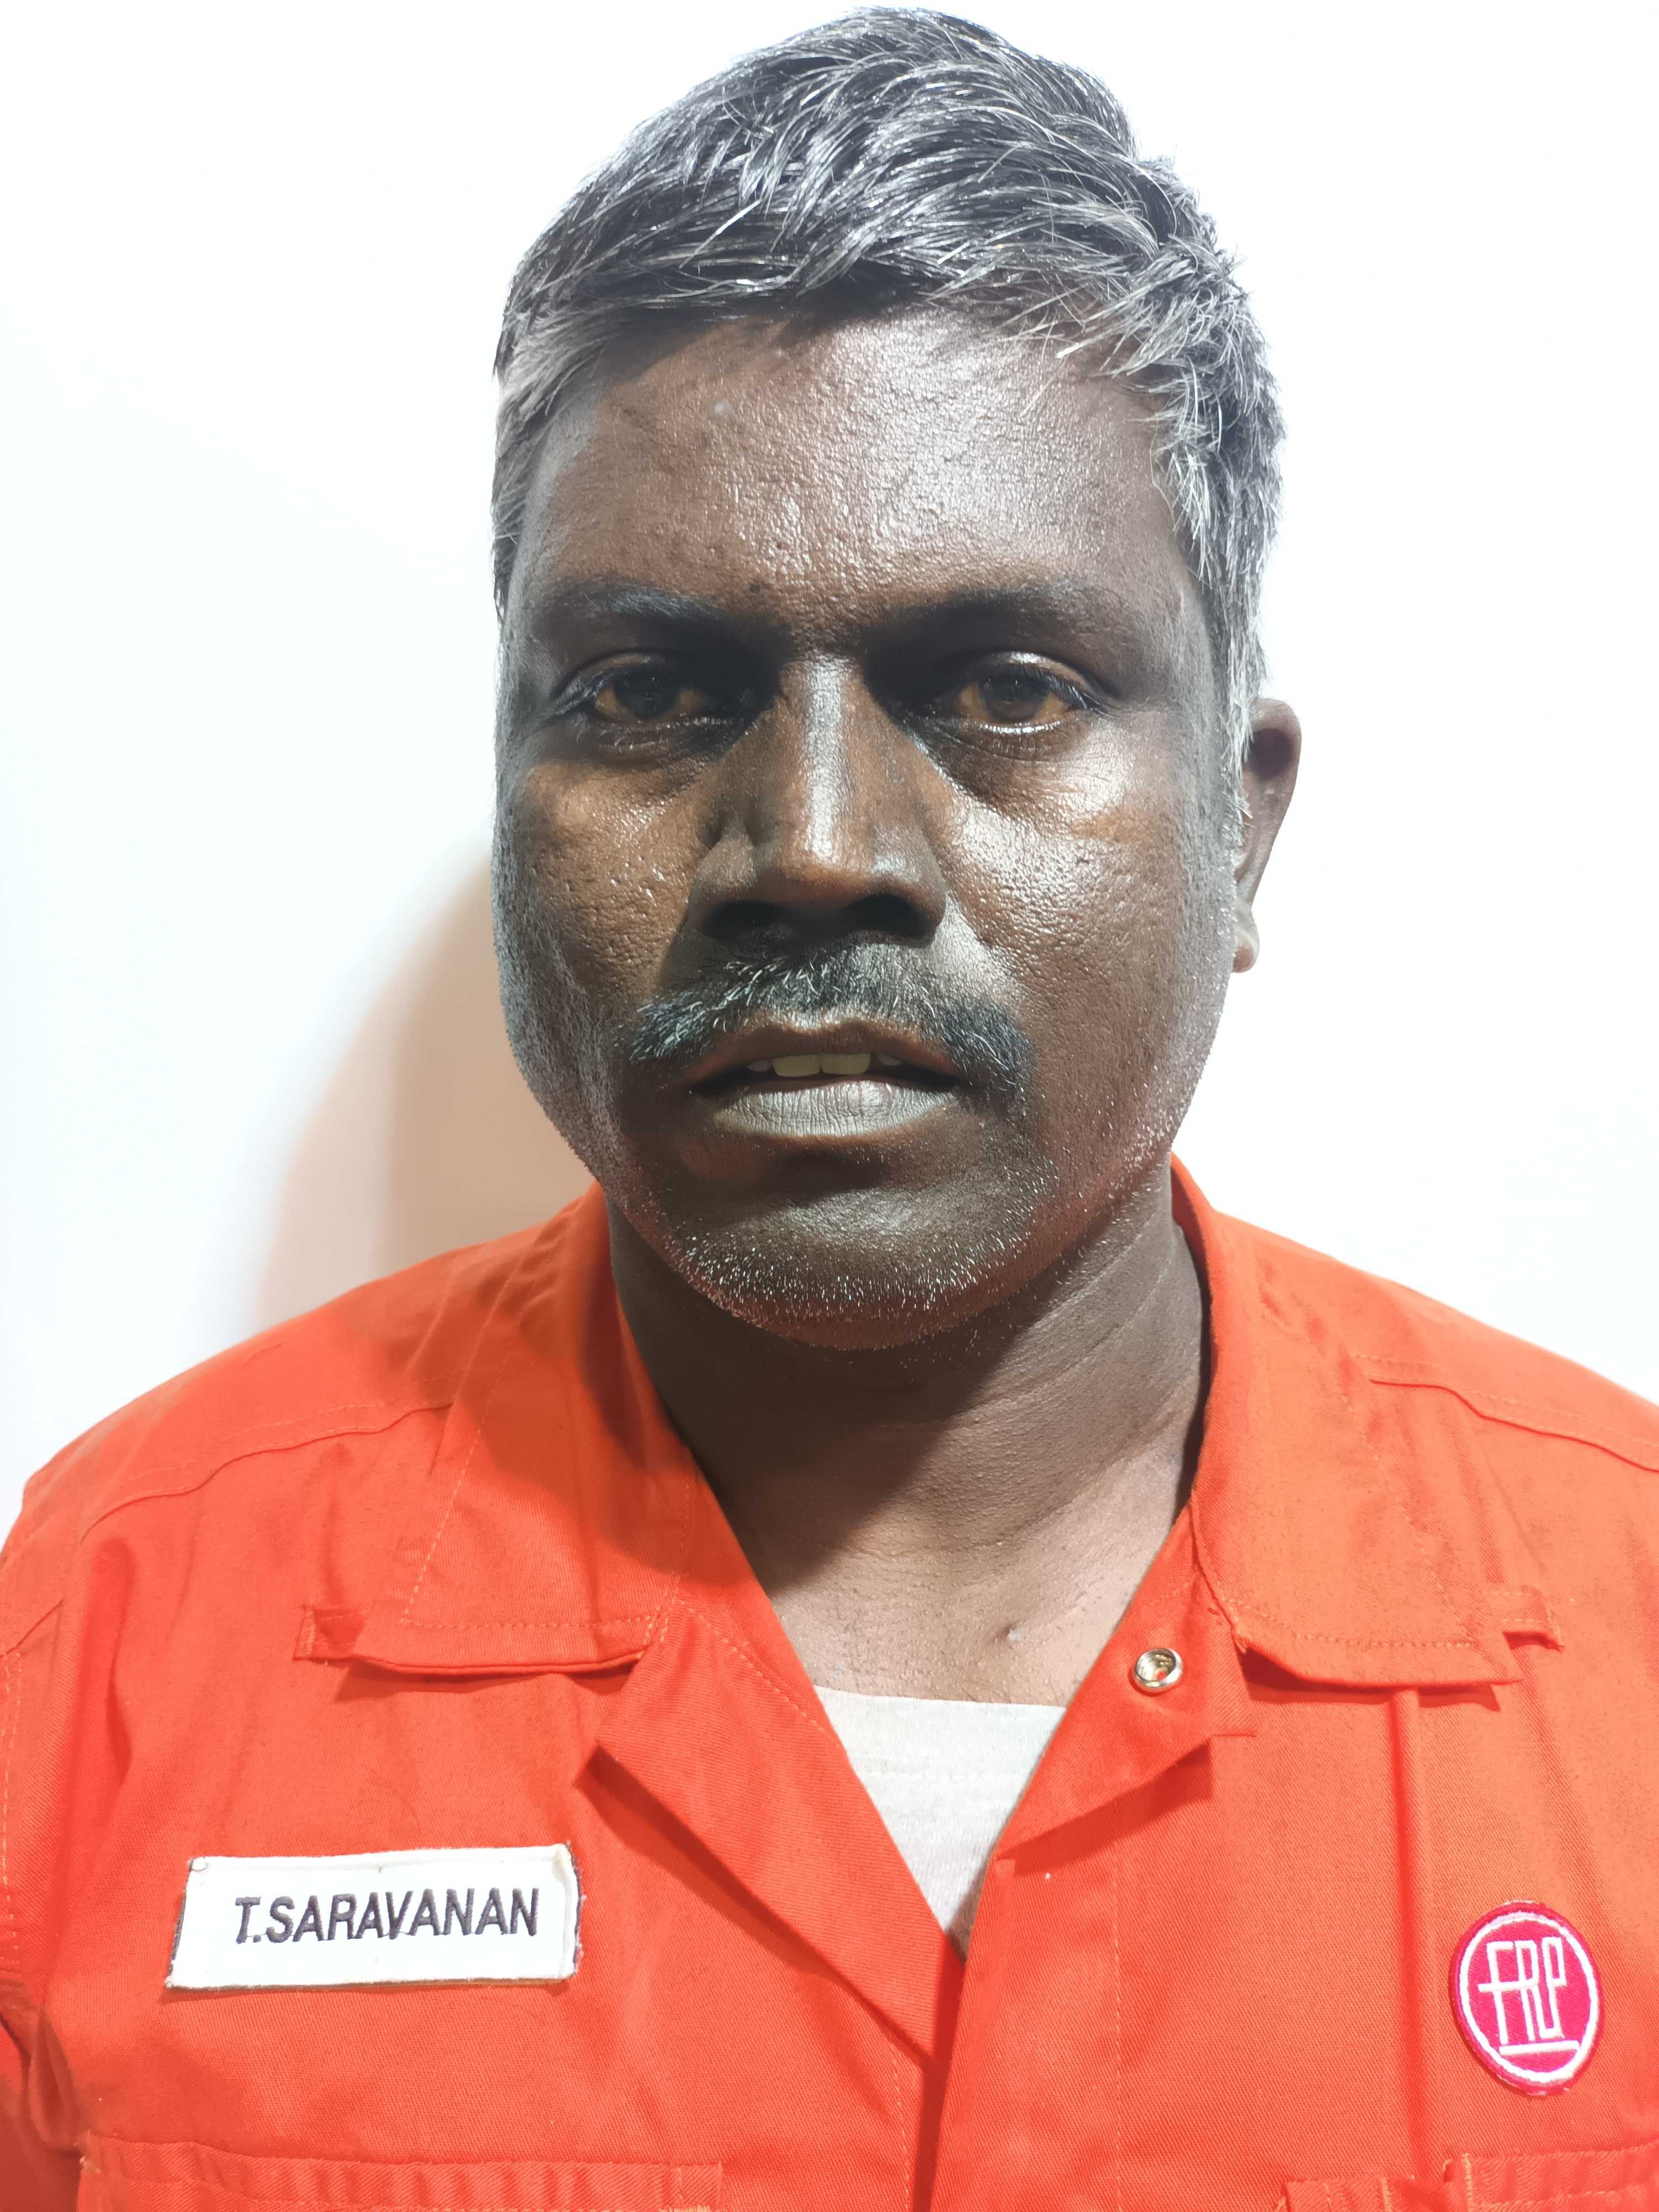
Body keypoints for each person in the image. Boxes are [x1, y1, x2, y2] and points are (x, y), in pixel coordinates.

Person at [4, 12, 1656, 2207]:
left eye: (1005, 688)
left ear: (1242, 828)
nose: (809, 847)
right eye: (647, 691)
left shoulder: (1624, 1628)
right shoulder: (101, 1640)